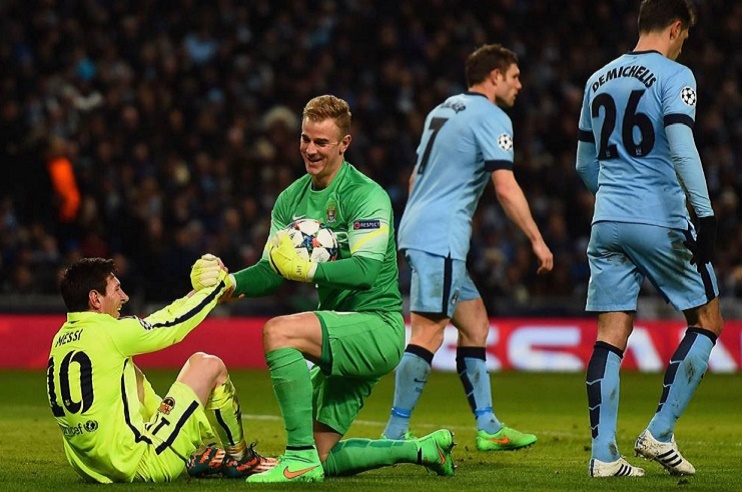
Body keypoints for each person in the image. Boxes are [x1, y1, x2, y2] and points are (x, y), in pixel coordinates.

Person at [199, 94, 456, 483]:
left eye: (321, 142)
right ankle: (422, 448)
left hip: (376, 326)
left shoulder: (365, 195)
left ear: (344, 144)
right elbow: (273, 270)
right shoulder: (290, 199)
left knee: (278, 332)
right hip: (337, 333)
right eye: (305, 139)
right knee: (327, 457)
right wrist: (231, 283)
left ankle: (297, 458)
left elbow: (367, 271)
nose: (311, 150)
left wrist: (308, 270)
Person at [575, 0, 723, 478]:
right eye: (686, 38)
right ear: (676, 28)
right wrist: (706, 214)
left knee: (610, 335)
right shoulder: (675, 76)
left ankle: (603, 457)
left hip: (606, 220)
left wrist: (616, 196)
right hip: (658, 217)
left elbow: (583, 166)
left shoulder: (596, 78)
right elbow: (681, 145)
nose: (684, 47)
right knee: (707, 319)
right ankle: (659, 434)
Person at [380, 44, 554, 451]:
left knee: (475, 324)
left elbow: (412, 179)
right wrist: (536, 239)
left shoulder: (441, 110)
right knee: (428, 331)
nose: (519, 84)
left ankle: (489, 427)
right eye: (514, 76)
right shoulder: (493, 117)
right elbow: (505, 187)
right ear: (494, 77)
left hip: (421, 230)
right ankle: (393, 434)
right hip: (440, 237)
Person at [46, 256, 273, 483]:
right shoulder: (110, 332)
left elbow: (165, 318)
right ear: (95, 299)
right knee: (207, 364)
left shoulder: (61, 339)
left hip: (92, 469)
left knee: (130, 374)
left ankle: (190, 451)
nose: (124, 297)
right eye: (116, 290)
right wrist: (219, 287)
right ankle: (240, 458)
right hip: (138, 463)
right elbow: (172, 324)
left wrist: (196, 294)